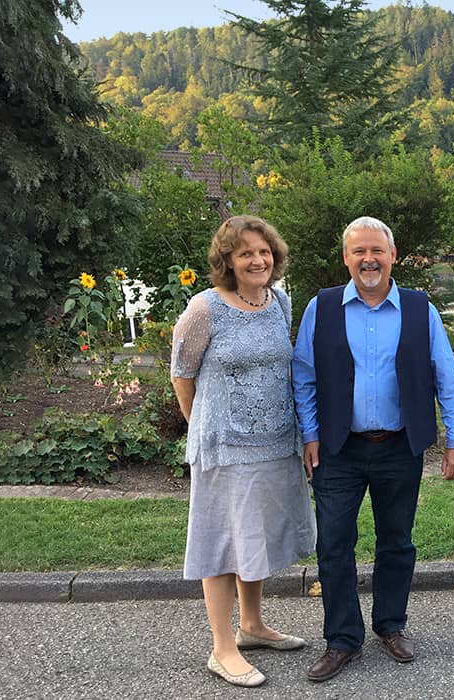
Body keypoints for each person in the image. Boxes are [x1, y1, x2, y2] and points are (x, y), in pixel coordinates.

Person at [292, 216, 454, 683]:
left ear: (393, 256)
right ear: (346, 258)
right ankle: (342, 639)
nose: (368, 259)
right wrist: (310, 435)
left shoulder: (419, 309)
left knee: (397, 542)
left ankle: (391, 626)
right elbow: (305, 377)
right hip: (337, 449)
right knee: (333, 544)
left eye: (377, 250)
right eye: (359, 251)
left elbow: (445, 376)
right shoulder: (322, 307)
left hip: (399, 447)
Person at [171, 215, 317, 688]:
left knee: (251, 536)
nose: (257, 260)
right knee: (221, 542)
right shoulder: (205, 308)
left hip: (275, 442)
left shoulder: (280, 302)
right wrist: (202, 427)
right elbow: (182, 372)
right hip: (224, 447)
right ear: (227, 262)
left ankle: (251, 626)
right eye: (245, 253)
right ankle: (222, 648)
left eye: (264, 252)